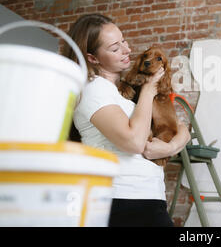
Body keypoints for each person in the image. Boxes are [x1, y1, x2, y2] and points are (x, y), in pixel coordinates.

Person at [62, 14, 191, 227]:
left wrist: (169, 147)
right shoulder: (93, 90)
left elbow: (182, 128)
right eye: (115, 48)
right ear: (93, 58)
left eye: (123, 41)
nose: (127, 50)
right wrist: (150, 88)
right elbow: (134, 142)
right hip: (120, 200)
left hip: (147, 197)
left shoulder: (124, 91)